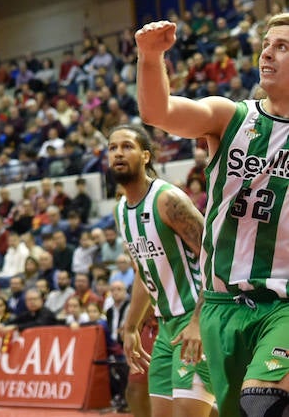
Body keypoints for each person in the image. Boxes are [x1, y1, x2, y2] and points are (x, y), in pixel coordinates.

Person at [136, 16, 289, 417]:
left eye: (282, 47)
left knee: (265, 404)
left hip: (282, 303)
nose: (267, 54)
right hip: (221, 305)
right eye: (266, 44)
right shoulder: (230, 116)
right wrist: (150, 57)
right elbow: (158, 112)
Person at [109, 123, 214, 417]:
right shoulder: (121, 211)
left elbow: (215, 256)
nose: (118, 153)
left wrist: (198, 321)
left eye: (127, 146)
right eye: (113, 148)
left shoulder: (168, 200)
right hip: (165, 326)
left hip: (196, 318)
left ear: (145, 156)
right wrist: (131, 327)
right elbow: (144, 272)